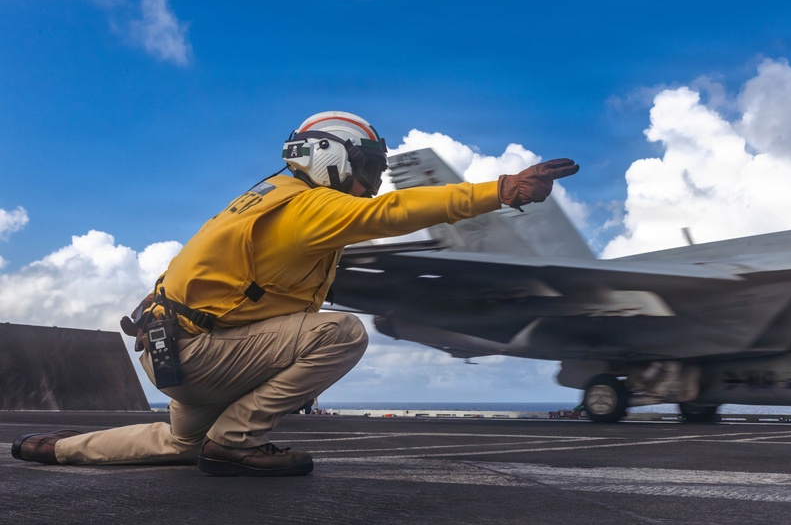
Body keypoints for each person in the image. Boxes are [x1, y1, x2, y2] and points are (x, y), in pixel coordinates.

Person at [11, 111, 579, 477]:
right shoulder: (309, 206)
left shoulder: (266, 196)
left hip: (174, 351)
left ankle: (57, 448)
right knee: (343, 332)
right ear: (329, 156)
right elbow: (395, 212)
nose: (371, 181)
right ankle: (236, 441)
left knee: (179, 440)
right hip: (202, 352)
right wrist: (502, 190)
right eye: (366, 166)